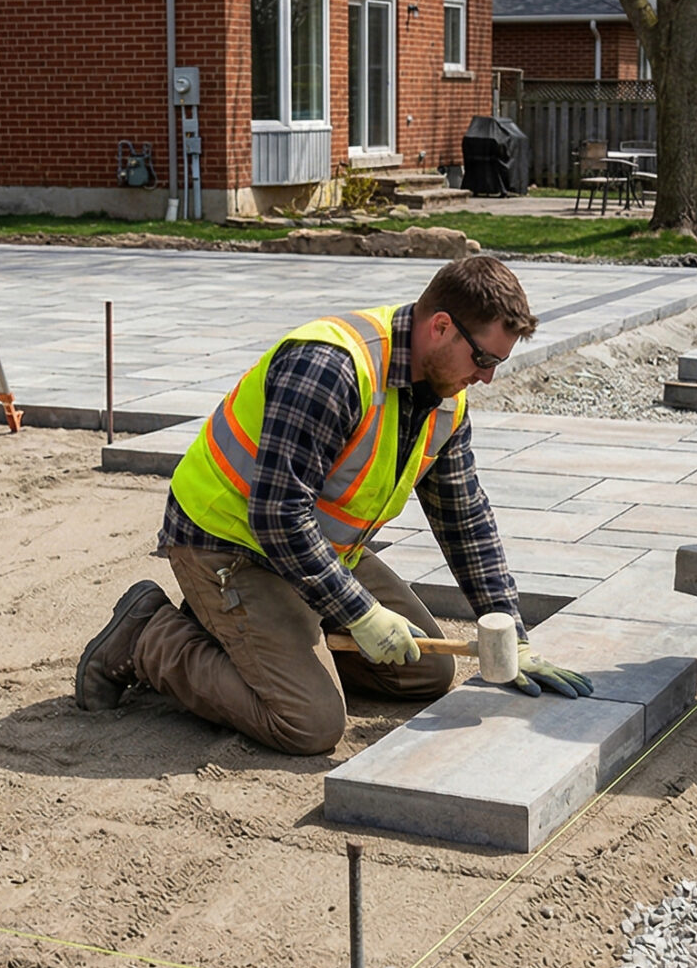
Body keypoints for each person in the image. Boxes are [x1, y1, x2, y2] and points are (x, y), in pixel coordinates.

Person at [72, 256, 593, 756]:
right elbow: (277, 515)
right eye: (484, 359)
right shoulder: (332, 369)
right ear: (440, 327)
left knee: (425, 671)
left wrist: (510, 629)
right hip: (229, 545)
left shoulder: (445, 398)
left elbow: (465, 519)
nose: (487, 378)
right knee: (309, 723)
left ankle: (256, 639)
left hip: (315, 551)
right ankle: (149, 636)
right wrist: (360, 612)